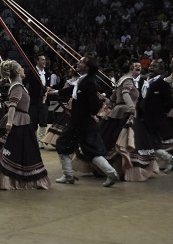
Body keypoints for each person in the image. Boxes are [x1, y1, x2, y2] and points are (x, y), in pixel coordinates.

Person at [0, 60, 51, 190]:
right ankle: (11, 179)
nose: (23, 70)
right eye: (21, 68)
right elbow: (12, 105)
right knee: (17, 151)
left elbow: (12, 104)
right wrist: (10, 122)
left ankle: (9, 178)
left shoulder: (17, 85)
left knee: (16, 150)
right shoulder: (16, 86)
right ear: (17, 71)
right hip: (19, 121)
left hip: (21, 120)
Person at [48, 57, 119, 187]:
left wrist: (89, 114)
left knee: (62, 144)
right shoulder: (84, 80)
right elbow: (72, 90)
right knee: (90, 150)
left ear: (87, 67)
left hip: (79, 122)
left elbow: (94, 103)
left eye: (81, 62)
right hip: (84, 122)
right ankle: (110, 172)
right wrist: (54, 91)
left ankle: (68, 175)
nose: (77, 63)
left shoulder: (88, 82)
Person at [23, 54, 50, 149]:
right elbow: (24, 83)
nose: (44, 61)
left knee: (43, 120)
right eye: (42, 60)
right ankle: (33, 140)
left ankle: (40, 141)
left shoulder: (47, 73)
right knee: (33, 121)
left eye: (45, 60)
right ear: (37, 61)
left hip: (44, 100)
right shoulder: (31, 71)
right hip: (33, 100)